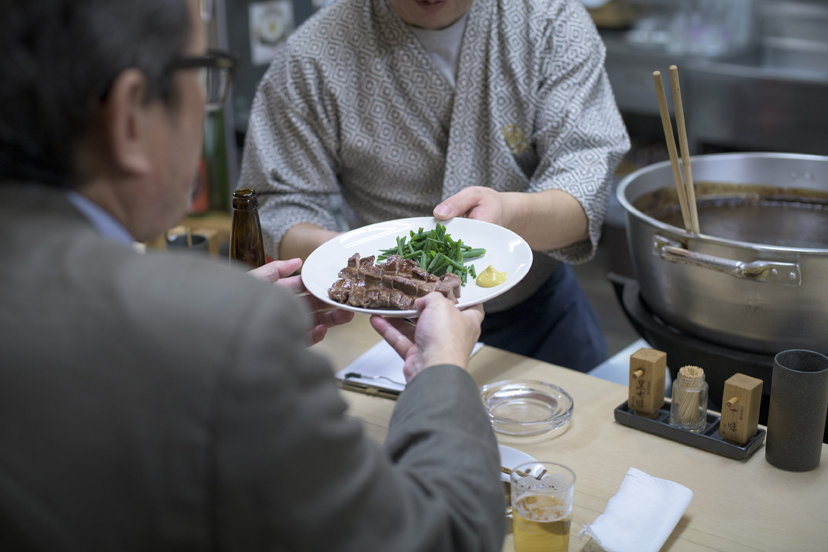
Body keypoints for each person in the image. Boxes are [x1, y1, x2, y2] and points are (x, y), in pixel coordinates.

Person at [0, 1, 505, 550]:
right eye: (202, 70)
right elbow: (442, 538)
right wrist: (443, 373)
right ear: (129, 118)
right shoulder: (232, 335)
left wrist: (201, 325)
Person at [239, 0, 631, 372]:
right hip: (390, 327)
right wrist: (365, 262)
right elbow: (279, 207)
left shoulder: (550, 22)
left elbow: (584, 191)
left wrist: (508, 215)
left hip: (541, 320)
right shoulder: (313, 53)